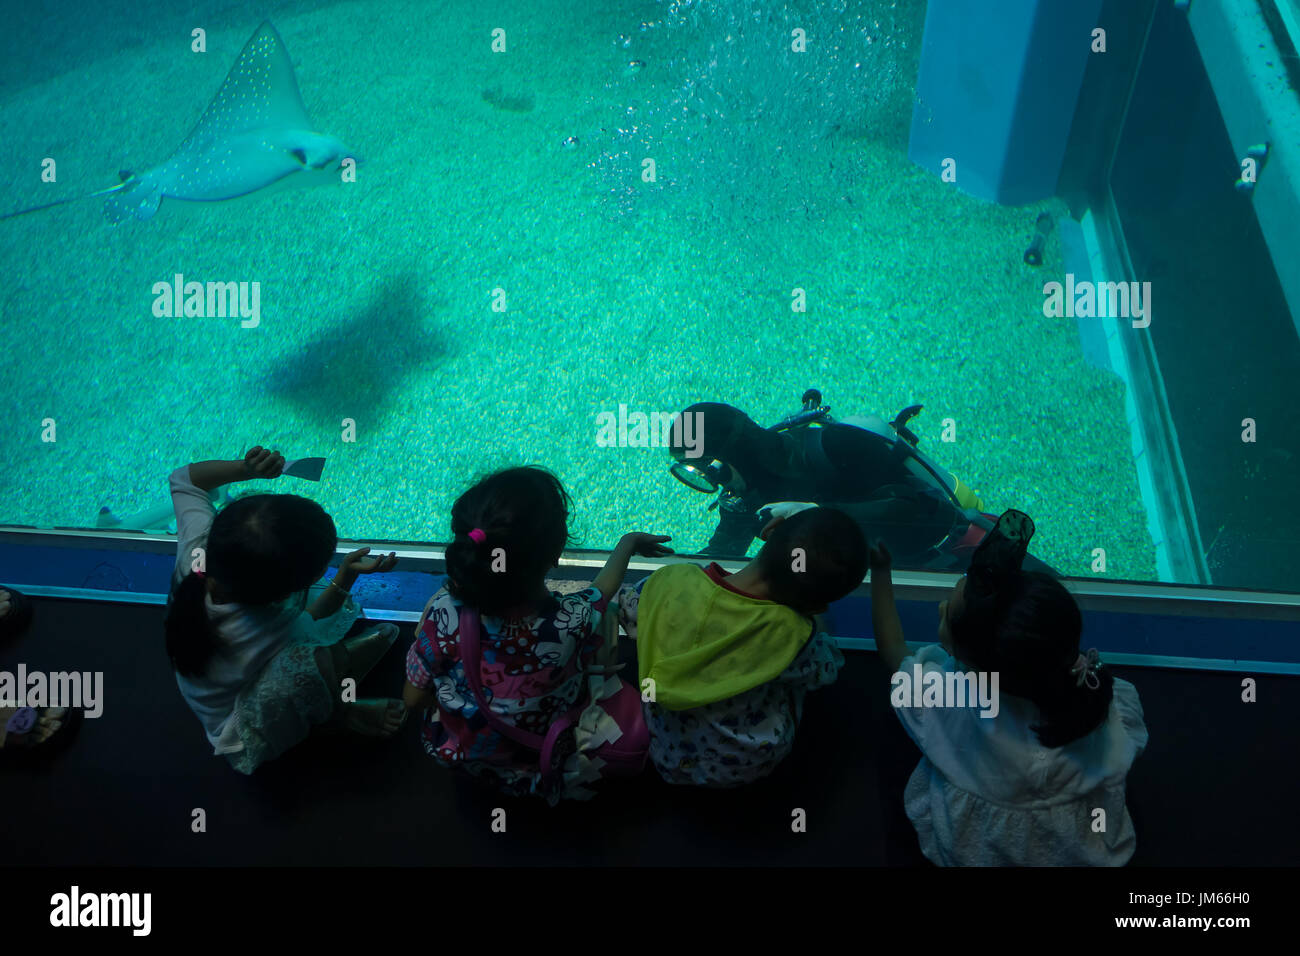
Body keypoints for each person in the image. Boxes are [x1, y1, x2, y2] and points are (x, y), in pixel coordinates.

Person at [870, 510, 1148, 865]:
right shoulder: (1090, 694)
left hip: (981, 847)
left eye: (946, 614)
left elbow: (893, 652)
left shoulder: (946, 697)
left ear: (972, 660)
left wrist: (880, 573)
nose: (940, 606)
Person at [401, 466, 670, 802]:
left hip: (461, 756)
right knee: (609, 630)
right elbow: (602, 591)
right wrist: (627, 544)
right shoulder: (572, 619)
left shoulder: (442, 613)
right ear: (555, 555)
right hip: (540, 760)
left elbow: (412, 699)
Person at [165, 446, 405, 775]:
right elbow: (316, 625)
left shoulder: (198, 551)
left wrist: (247, 469)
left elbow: (184, 479)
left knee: (311, 636)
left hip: (209, 679)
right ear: (287, 591)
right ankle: (343, 716)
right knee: (316, 663)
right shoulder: (276, 627)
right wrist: (346, 575)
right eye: (322, 567)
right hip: (234, 730)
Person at [618, 505, 868, 787]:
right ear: (816, 606)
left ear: (769, 529)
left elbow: (628, 612)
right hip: (739, 767)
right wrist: (814, 620)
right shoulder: (793, 634)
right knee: (799, 675)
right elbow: (826, 669)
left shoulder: (667, 582)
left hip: (662, 750)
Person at [668, 394, 1040, 574]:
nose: (713, 485)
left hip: (946, 557)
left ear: (730, 457)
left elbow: (930, 513)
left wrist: (819, 515)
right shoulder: (746, 494)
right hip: (869, 589)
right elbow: (721, 558)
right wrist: (667, 574)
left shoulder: (835, 446)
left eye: (708, 471)